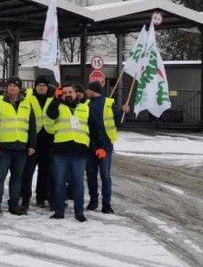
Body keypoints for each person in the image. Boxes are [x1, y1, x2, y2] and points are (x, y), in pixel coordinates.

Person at [47, 83, 106, 222]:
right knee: (60, 182)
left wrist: (100, 146)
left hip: (80, 152)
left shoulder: (85, 109)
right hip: (61, 151)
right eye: (65, 92)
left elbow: (95, 129)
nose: (68, 94)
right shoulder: (58, 106)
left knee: (78, 183)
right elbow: (51, 114)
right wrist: (56, 99)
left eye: (70, 92)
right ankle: (59, 211)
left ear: (76, 94)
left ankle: (79, 212)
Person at [0, 77, 36, 216]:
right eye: (10, 86)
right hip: (3, 148)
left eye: (15, 86)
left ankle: (14, 204)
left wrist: (32, 145)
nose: (12, 88)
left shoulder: (27, 104)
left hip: (21, 148)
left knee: (17, 178)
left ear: (20, 88)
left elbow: (32, 125)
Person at [84, 81, 125, 214]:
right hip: (90, 145)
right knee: (91, 174)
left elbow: (118, 122)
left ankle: (106, 204)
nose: (85, 92)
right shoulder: (85, 104)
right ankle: (94, 201)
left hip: (105, 145)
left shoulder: (109, 102)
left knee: (104, 175)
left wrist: (124, 112)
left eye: (87, 89)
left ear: (92, 90)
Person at [20, 77, 57, 212]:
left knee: (45, 171)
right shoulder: (28, 98)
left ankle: (41, 197)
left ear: (48, 87)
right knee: (28, 171)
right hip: (33, 139)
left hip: (48, 139)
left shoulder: (53, 98)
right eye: (39, 85)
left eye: (44, 85)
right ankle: (25, 198)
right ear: (35, 87)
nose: (41, 87)